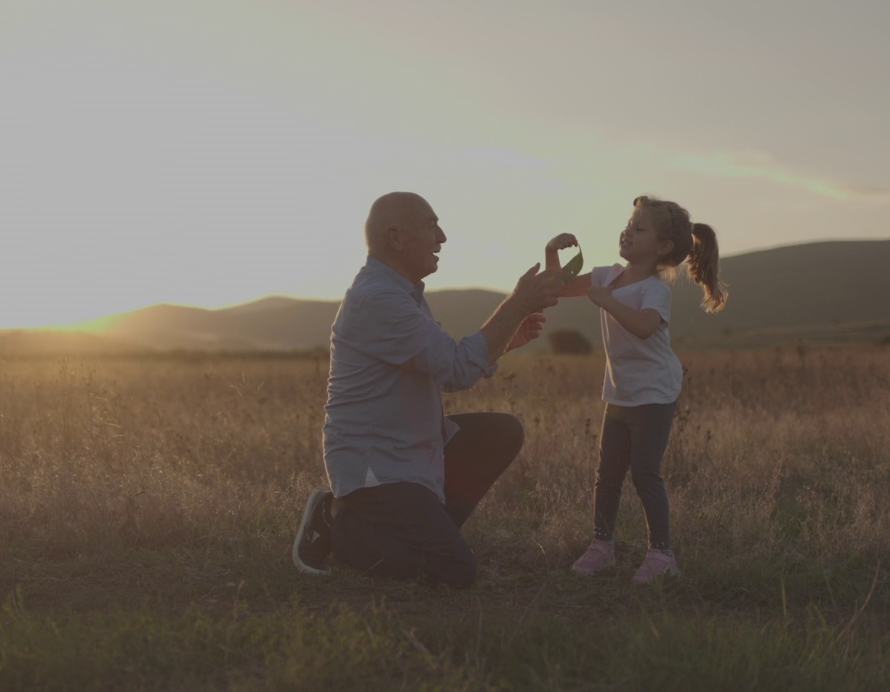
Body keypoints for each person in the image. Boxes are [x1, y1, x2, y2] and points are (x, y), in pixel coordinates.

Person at [291, 191, 562, 588]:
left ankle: (420, 532)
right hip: (377, 469)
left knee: (501, 432)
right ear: (396, 237)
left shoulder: (403, 294)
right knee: (455, 571)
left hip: (407, 454)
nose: (443, 238)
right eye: (432, 226)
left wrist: (507, 339)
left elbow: (448, 374)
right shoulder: (378, 299)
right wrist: (518, 304)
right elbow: (457, 366)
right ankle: (338, 525)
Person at [547, 195, 727, 583]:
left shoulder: (654, 289)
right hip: (620, 391)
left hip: (655, 393)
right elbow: (557, 288)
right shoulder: (605, 276)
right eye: (629, 224)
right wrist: (551, 255)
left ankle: (662, 556)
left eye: (639, 228)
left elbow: (645, 326)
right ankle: (602, 547)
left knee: (645, 473)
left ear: (662, 247)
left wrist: (608, 302)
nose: (628, 231)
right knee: (607, 474)